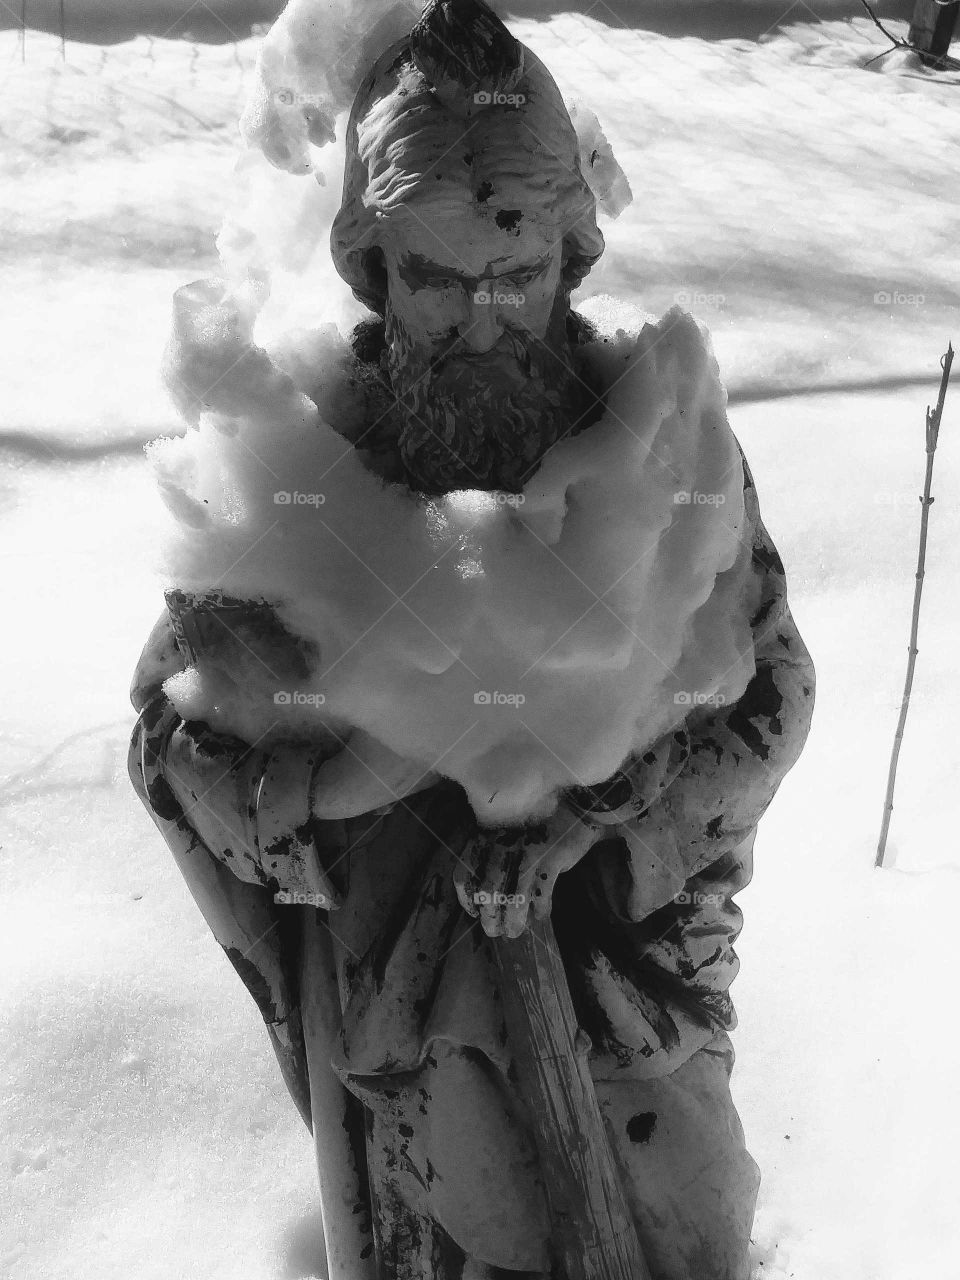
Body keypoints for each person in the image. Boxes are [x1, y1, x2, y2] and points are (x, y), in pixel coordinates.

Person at [129, 2, 815, 1276]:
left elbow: (772, 700)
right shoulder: (298, 478)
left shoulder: (666, 458)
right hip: (397, 1069)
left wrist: (612, 808)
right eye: (437, 278)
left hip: (634, 1041)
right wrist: (336, 781)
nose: (486, 316)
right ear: (371, 268)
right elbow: (171, 747)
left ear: (572, 254)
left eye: (519, 272)